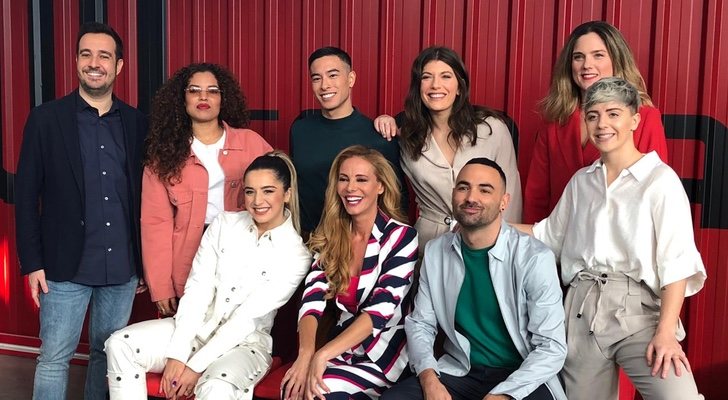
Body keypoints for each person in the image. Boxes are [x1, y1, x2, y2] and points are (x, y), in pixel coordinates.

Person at [522, 77, 706, 399]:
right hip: (580, 309)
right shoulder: (582, 182)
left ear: (634, 120)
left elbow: (677, 262)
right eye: (593, 116)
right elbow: (545, 235)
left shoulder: (660, 180)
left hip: (638, 311)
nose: (602, 124)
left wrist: (665, 332)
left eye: (613, 114)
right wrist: (488, 224)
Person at [105, 151, 311, 400]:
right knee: (121, 344)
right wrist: (177, 354)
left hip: (244, 345)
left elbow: (246, 320)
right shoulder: (224, 225)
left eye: (268, 191)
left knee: (216, 386)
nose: (257, 201)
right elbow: (198, 289)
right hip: (195, 329)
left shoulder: (296, 254)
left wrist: (194, 367)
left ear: (287, 194)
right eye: (250, 191)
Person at [14, 22, 147, 400]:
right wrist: (32, 262)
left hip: (121, 267)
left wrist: (145, 262)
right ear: (76, 61)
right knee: (54, 359)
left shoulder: (137, 123)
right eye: (86, 54)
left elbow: (146, 196)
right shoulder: (46, 119)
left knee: (107, 357)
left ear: (118, 66)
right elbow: (26, 195)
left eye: (104, 56)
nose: (94, 63)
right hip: (62, 268)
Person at [383, 157, 566, 400]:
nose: (471, 197)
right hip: (461, 371)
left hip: (522, 375)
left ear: (504, 202)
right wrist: (429, 378)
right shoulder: (436, 252)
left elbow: (551, 347)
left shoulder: (534, 258)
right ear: (453, 195)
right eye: (463, 187)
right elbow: (421, 324)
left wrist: (503, 395)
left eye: (485, 190)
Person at [281, 145, 418, 399]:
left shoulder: (401, 236)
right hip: (342, 349)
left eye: (361, 179)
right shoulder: (332, 235)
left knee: (318, 391)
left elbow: (380, 311)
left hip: (383, 355)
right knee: (292, 388)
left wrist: (321, 355)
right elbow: (311, 299)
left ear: (380, 186)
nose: (350, 188)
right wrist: (306, 354)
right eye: (343, 179)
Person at [142, 63, 272, 316]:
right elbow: (155, 224)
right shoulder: (163, 155)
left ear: (223, 98)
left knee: (239, 330)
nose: (203, 97)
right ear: (182, 99)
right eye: (194, 90)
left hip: (244, 258)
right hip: (187, 262)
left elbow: (280, 197)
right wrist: (161, 286)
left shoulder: (252, 143)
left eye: (212, 91)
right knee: (191, 331)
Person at [375, 46, 522, 249]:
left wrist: (506, 246)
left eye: (445, 76)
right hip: (429, 242)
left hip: (487, 239)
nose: (436, 85)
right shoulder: (406, 135)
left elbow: (511, 194)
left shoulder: (492, 129)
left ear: (460, 86)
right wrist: (384, 121)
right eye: (427, 77)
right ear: (418, 87)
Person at [523, 20, 668, 223]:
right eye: (578, 57)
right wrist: (535, 239)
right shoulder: (554, 121)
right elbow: (536, 197)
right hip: (559, 237)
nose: (586, 65)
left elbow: (655, 188)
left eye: (598, 55)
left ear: (617, 60)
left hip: (619, 236)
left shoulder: (644, 117)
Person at [290, 46, 408, 236]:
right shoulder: (300, 130)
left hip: (360, 242)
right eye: (316, 78)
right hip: (310, 240)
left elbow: (397, 200)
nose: (324, 85)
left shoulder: (378, 136)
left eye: (333, 75)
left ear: (351, 79)